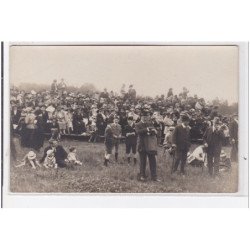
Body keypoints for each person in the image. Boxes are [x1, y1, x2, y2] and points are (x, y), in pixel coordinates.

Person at [135, 109, 159, 182]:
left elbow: (154, 131)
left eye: (147, 116)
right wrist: (147, 129)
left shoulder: (150, 123)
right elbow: (138, 132)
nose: (145, 118)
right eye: (144, 116)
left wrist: (154, 131)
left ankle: (154, 177)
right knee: (143, 162)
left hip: (150, 145)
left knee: (153, 161)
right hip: (142, 145)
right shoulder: (137, 124)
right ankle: (142, 176)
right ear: (141, 117)